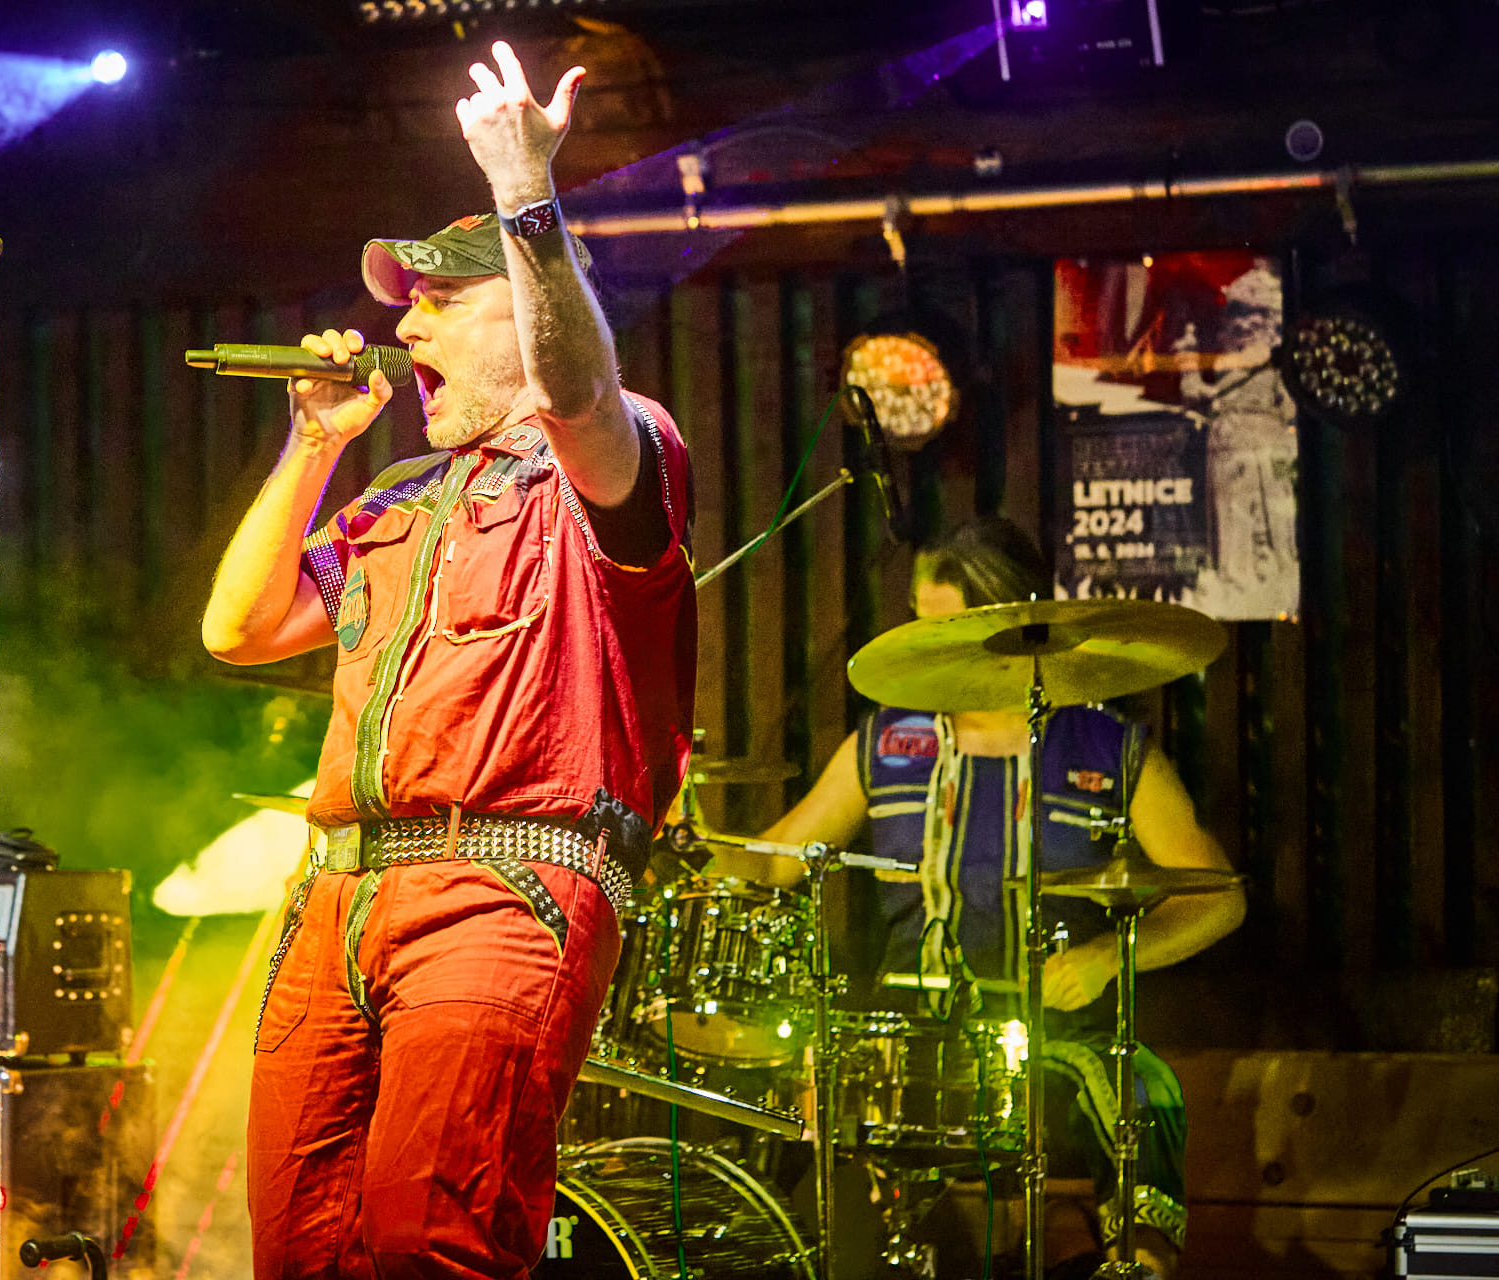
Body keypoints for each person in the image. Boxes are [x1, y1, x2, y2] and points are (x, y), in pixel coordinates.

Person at [201, 40, 696, 1280]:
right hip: (336, 898)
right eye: (402, 302)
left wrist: (526, 190)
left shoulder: (612, 459)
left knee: (434, 1238)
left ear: (525, 313)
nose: (402, 321)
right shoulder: (396, 499)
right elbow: (239, 629)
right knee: (302, 1250)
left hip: (501, 885)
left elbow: (579, 396)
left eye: (438, 301)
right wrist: (315, 447)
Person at [720, 516, 1244, 1279]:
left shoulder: (1105, 747)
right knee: (791, 1101)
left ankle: (1135, 1262)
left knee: (1142, 1087)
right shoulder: (888, 742)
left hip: (1053, 1038)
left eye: (950, 631)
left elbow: (1218, 899)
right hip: (908, 1041)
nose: (928, 647)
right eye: (920, 625)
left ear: (1014, 627)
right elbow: (775, 863)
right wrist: (686, 832)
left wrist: (1106, 958)